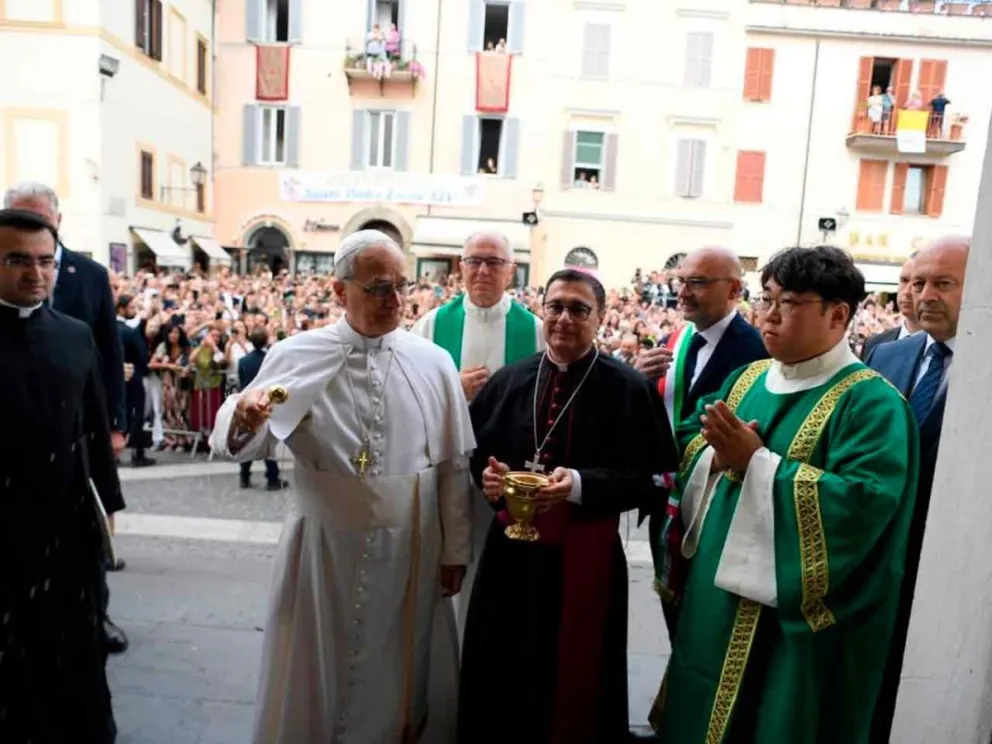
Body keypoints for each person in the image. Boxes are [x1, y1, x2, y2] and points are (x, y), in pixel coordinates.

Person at [209, 229, 475, 744]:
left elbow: (451, 469)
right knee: (318, 664)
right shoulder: (298, 353)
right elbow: (242, 439)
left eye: (401, 285)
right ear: (338, 292)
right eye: (378, 287)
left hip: (410, 551)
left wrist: (455, 551)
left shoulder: (434, 362)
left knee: (399, 671)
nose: (394, 301)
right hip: (323, 550)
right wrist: (243, 417)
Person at [655, 246, 918, 743]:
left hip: (791, 621)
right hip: (714, 596)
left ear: (838, 314)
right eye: (766, 299)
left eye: (789, 303)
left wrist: (756, 463)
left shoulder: (870, 402)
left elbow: (863, 505)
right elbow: (689, 439)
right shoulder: (747, 378)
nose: (768, 316)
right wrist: (713, 455)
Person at [458, 268, 678, 744]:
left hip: (585, 554)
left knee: (575, 669)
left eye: (579, 309)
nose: (563, 319)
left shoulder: (627, 388)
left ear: (600, 317)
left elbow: (655, 478)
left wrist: (579, 484)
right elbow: (475, 455)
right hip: (509, 557)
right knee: (501, 659)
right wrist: (489, 479)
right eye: (555, 306)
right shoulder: (511, 380)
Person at [0, 208, 118, 743]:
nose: (35, 274)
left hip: (64, 527)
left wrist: (107, 512)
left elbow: (93, 430)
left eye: (46, 261)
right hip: (0, 533)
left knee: (70, 653)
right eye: (18, 260)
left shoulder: (74, 336)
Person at [411, 230, 543, 639]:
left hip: (505, 474)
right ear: (461, 268)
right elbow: (409, 394)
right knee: (445, 569)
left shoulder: (536, 329)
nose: (482, 271)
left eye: (494, 262)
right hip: (447, 468)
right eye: (474, 261)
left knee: (495, 576)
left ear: (512, 271)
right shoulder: (431, 325)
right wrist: (453, 388)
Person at [865, 236, 968, 743]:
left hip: (954, 571)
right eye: (919, 281)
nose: (924, 294)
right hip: (878, 559)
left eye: (943, 283)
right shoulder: (887, 356)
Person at [634, 247, 767, 640]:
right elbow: (651, 417)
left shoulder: (758, 350)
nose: (684, 291)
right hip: (665, 501)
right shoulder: (671, 340)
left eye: (698, 282)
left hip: (716, 506)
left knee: (706, 626)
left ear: (735, 290)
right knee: (671, 617)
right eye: (681, 280)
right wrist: (637, 379)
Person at [237, 327, 286, 491]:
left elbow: (242, 381)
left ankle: (244, 475)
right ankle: (272, 478)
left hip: (248, 402)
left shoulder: (243, 361)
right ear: (266, 340)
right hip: (265, 403)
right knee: (267, 442)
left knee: (248, 439)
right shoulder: (269, 359)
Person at [117, 294, 155, 467]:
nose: (133, 310)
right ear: (121, 308)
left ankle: (113, 454)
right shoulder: (129, 332)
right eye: (131, 307)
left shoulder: (107, 329)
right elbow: (142, 354)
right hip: (133, 376)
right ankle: (137, 453)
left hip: (112, 378)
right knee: (137, 414)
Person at [860, 253, 921, 360]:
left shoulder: (945, 349)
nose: (907, 292)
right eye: (904, 280)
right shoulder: (874, 344)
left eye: (918, 284)